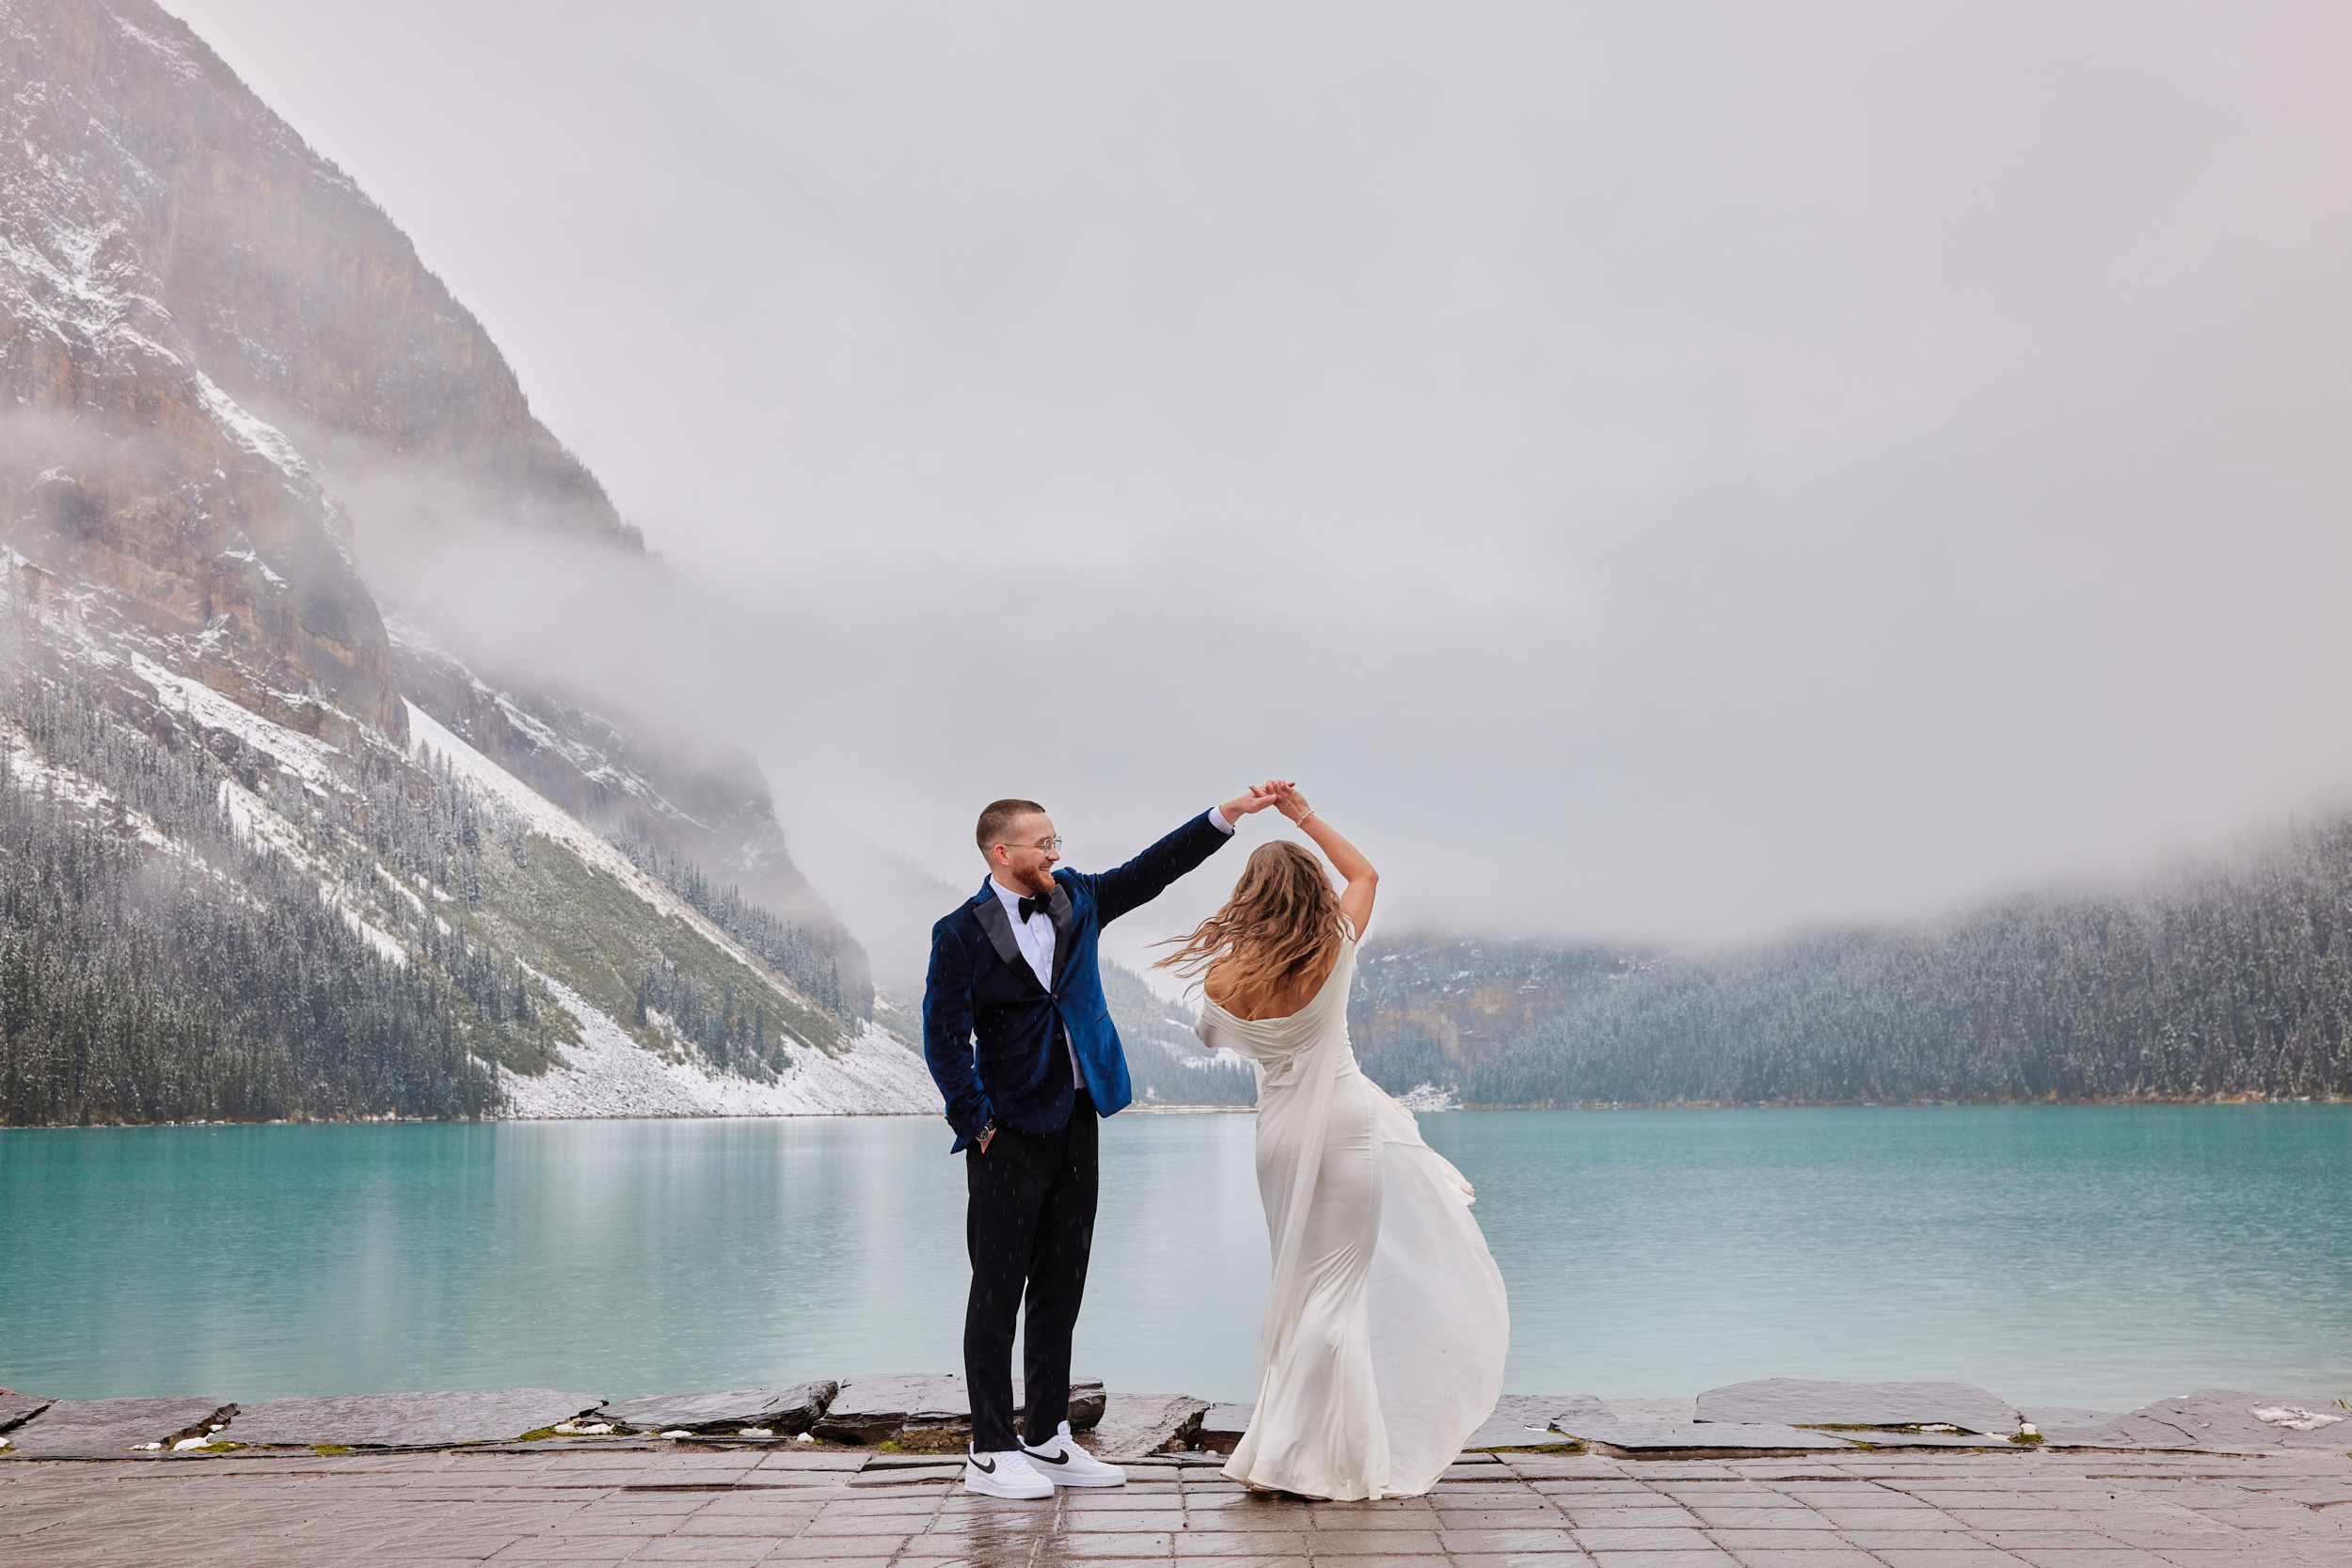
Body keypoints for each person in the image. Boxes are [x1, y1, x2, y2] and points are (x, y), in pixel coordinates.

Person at [926, 785, 1281, 1499]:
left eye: (1059, 840)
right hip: (1008, 1135)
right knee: (996, 1291)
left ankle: (1048, 1436)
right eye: (1043, 843)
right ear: (1003, 853)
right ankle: (989, 1448)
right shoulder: (960, 932)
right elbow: (941, 1038)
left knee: (1062, 1284)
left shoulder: (1079, 898)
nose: (1057, 853)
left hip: (1080, 1118)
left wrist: (1225, 817)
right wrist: (981, 1123)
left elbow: (1152, 870)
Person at [1162, 784, 1508, 1500]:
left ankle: (1287, 1445)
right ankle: (1311, 1455)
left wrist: (1243, 954)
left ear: (1251, 896)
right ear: (1310, 891)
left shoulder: (1226, 978)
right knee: (1337, 1289)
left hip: (1280, 1134)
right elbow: (1367, 876)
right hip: (1345, 1125)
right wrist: (1303, 816)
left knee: (1295, 1285)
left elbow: (1212, 1034)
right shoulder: (1336, 943)